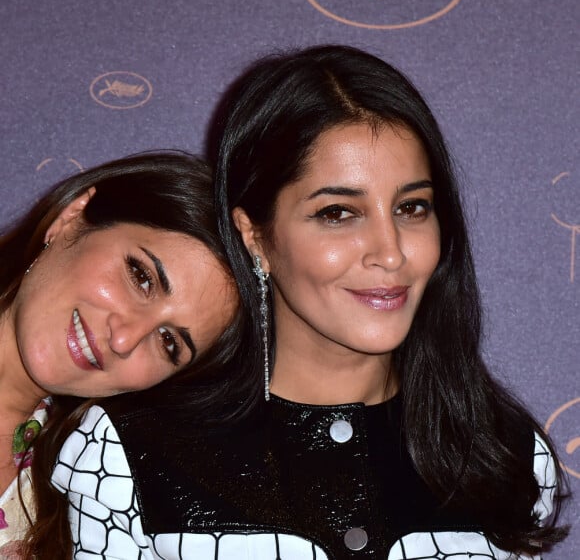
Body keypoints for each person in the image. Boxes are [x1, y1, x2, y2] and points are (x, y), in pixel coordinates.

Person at [52, 46, 567, 559]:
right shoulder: (126, 454)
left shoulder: (509, 455)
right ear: (255, 236)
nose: (391, 254)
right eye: (338, 213)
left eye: (412, 207)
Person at [0, 151, 238, 558]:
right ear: (72, 218)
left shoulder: (81, 517)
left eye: (169, 343)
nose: (125, 338)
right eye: (140, 276)